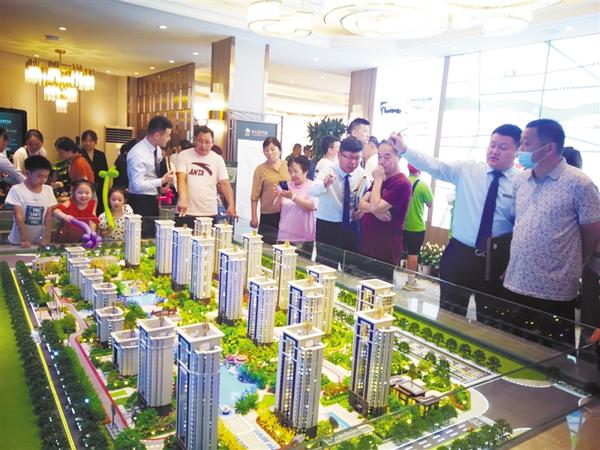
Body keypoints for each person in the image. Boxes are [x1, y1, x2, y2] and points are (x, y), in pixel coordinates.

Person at [389, 124, 522, 321]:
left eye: (503, 147)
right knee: (449, 315)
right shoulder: (468, 170)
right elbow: (434, 165)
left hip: (496, 258)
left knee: (490, 321)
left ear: (517, 151)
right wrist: (404, 149)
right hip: (459, 254)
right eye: (492, 145)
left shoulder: (521, 183)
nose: (494, 151)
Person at [503, 119, 600, 345]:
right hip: (516, 281)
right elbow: (519, 223)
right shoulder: (521, 180)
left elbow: (593, 232)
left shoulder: (580, 184)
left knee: (551, 355)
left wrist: (577, 261)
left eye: (526, 143)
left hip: (555, 289)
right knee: (511, 347)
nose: (520, 149)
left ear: (548, 148)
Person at [357, 140, 411, 266]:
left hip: (385, 247)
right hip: (367, 243)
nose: (381, 162)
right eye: (379, 157)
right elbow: (361, 203)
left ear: (398, 157)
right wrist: (374, 211)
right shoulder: (382, 179)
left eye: (387, 157)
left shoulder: (402, 183)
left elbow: (375, 206)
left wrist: (378, 180)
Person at [310, 136, 368, 253]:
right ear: (339, 155)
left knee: (353, 261)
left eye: (357, 158)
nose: (353, 162)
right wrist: (324, 184)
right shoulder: (328, 169)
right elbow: (312, 191)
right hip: (328, 225)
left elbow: (368, 192)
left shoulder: (360, 172)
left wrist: (362, 211)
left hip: (351, 224)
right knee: (326, 262)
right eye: (349, 157)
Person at [176, 125, 236, 228]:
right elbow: (181, 179)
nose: (203, 145)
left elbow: (225, 184)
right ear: (194, 140)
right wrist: (183, 199)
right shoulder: (184, 155)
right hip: (185, 210)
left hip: (209, 212)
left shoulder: (217, 159)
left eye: (207, 142)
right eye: (200, 141)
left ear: (213, 142)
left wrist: (231, 205)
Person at [127, 116, 176, 238]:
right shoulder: (137, 153)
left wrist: (162, 186)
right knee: (141, 237)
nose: (169, 139)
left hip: (153, 199)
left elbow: (154, 173)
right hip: (140, 200)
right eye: (168, 135)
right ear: (157, 135)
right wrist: (162, 180)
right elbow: (136, 185)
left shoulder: (157, 149)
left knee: (153, 236)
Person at [5, 155, 55, 248]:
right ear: (27, 173)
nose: (43, 180)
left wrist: (47, 238)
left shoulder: (48, 190)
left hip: (39, 241)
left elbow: (48, 217)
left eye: (46, 177)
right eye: (40, 176)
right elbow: (19, 217)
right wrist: (23, 239)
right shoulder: (16, 190)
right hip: (18, 241)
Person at [250, 137, 290, 244]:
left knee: (286, 247)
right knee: (267, 247)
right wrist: (254, 217)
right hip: (268, 214)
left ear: (279, 150)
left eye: (273, 149)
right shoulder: (260, 169)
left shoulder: (288, 166)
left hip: (288, 213)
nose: (269, 153)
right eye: (266, 150)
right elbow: (254, 197)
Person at [274, 155, 319, 251]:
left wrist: (293, 197)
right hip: (284, 235)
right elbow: (278, 209)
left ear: (305, 171)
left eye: (296, 171)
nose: (292, 174)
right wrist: (278, 197)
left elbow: (312, 206)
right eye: (290, 171)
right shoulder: (286, 186)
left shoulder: (313, 186)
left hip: (304, 238)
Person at [402, 164, 433, 291]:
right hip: (416, 226)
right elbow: (430, 204)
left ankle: (389, 277)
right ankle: (410, 283)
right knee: (413, 254)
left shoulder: (402, 181)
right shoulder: (422, 185)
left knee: (397, 251)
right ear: (420, 170)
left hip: (400, 224)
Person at [53, 179, 99, 243]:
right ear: (74, 193)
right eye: (80, 193)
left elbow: (93, 219)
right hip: (66, 236)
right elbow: (56, 211)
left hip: (83, 235)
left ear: (92, 194)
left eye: (87, 193)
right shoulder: (70, 202)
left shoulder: (92, 203)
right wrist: (65, 216)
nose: (84, 195)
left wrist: (92, 234)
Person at [80, 129, 109, 214]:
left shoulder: (101, 154)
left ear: (95, 142)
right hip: (85, 187)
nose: (87, 143)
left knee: (99, 209)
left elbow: (105, 171)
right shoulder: (79, 154)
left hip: (99, 187)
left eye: (90, 141)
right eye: (85, 140)